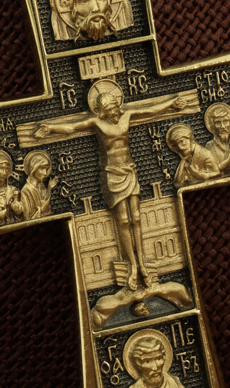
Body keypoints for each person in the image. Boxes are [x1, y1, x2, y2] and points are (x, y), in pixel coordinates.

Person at [34, 82, 187, 290]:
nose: (113, 111)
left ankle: (142, 264)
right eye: (108, 109)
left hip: (129, 171)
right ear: (101, 111)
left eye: (114, 106)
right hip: (112, 175)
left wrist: (171, 103)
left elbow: (150, 110)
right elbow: (72, 127)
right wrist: (50, 128)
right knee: (123, 220)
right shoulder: (97, 123)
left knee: (137, 218)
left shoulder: (127, 116)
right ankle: (132, 266)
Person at [21, 150, 58, 220]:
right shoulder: (26, 190)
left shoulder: (41, 186)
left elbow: (47, 208)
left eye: (46, 169)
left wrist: (49, 188)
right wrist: (42, 208)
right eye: (42, 168)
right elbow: (27, 218)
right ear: (34, 169)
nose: (45, 173)